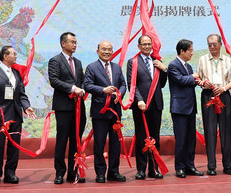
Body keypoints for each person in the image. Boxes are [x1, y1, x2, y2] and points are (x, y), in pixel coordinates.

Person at [0, 45, 36, 185]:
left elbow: (21, 94)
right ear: (5, 56)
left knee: (14, 146)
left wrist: (27, 107)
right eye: (13, 54)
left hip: (15, 115)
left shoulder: (17, 74)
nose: (16, 56)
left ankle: (10, 173)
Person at [83, 41, 128, 183]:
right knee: (99, 143)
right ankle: (100, 173)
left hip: (115, 112)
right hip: (100, 111)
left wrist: (119, 94)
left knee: (115, 144)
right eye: (104, 49)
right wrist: (103, 90)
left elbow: (123, 84)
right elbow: (87, 85)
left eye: (109, 49)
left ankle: (114, 172)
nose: (107, 52)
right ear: (97, 51)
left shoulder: (117, 67)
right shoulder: (92, 67)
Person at [127, 34, 168, 180]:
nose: (147, 46)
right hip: (141, 106)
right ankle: (141, 169)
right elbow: (132, 83)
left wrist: (164, 70)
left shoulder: (157, 61)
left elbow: (162, 84)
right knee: (141, 138)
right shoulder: (133, 62)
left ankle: (154, 169)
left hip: (156, 104)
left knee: (155, 138)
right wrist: (138, 100)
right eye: (144, 44)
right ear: (139, 46)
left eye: (149, 44)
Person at [48, 31, 87, 184]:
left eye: (76, 42)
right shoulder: (55, 61)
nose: (75, 45)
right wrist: (72, 89)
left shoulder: (78, 62)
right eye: (72, 42)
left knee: (76, 140)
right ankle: (59, 173)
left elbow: (82, 80)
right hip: (64, 107)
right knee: (62, 140)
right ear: (63, 43)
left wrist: (82, 89)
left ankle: (73, 172)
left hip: (79, 107)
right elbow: (54, 81)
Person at [196, 33, 231, 175]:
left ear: (220, 44)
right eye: (209, 44)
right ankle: (211, 166)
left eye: (214, 44)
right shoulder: (202, 60)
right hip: (208, 96)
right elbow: (198, 78)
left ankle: (228, 166)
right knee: (210, 131)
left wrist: (224, 88)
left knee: (226, 131)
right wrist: (203, 83)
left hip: (223, 96)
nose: (212, 47)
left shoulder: (227, 60)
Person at [167, 39, 203, 178]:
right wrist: (193, 77)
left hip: (190, 107)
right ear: (182, 51)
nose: (192, 53)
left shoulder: (188, 66)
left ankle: (190, 166)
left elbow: (189, 82)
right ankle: (180, 167)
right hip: (179, 108)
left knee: (190, 139)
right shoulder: (173, 65)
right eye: (190, 50)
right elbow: (181, 80)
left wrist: (198, 81)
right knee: (181, 139)